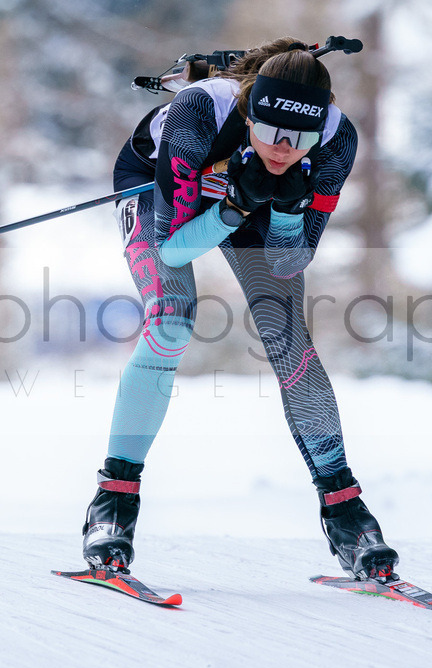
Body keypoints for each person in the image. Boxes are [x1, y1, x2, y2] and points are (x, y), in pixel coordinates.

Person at [82, 36, 399, 580]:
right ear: (250, 110)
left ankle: (346, 513)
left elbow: (287, 263)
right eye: (272, 131)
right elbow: (174, 246)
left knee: (289, 335)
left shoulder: (336, 141)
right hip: (164, 192)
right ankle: (113, 503)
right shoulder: (198, 112)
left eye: (300, 139)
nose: (284, 149)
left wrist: (288, 206)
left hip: (247, 199)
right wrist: (233, 206)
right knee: (171, 320)